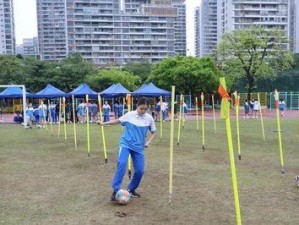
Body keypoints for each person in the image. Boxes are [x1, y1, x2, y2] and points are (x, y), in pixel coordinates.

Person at [98, 97, 156, 201]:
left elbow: (153, 132)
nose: (143, 111)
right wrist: (103, 124)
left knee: (140, 170)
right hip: (126, 144)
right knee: (122, 163)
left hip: (139, 148)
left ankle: (131, 189)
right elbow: (117, 120)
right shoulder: (129, 115)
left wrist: (148, 142)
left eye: (145, 109)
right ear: (137, 106)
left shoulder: (149, 118)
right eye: (141, 108)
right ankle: (115, 190)